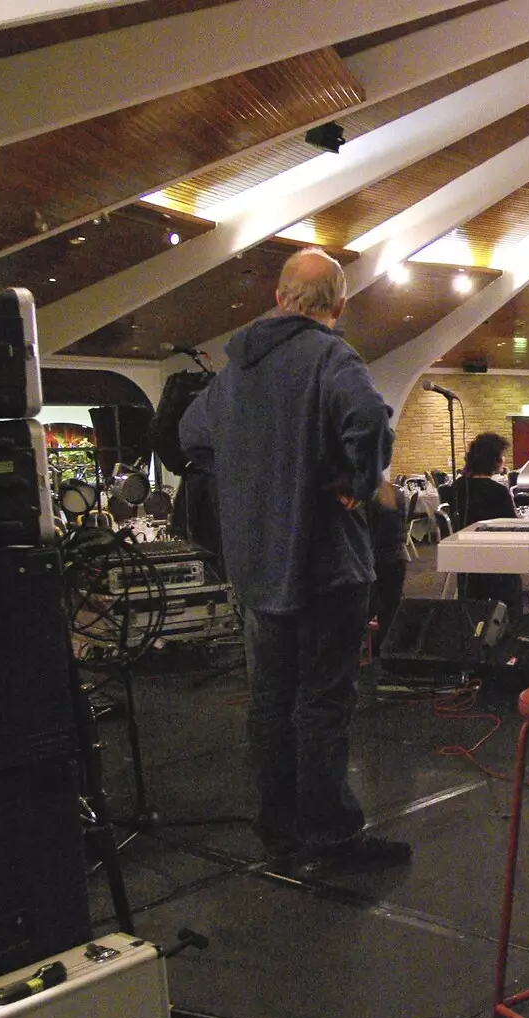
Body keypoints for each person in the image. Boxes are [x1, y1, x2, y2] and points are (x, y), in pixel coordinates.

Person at [180, 247, 411, 876]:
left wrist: (247, 480)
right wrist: (356, 482)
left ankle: (279, 834)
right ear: (337, 307)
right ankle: (331, 838)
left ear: (280, 297)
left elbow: (191, 437)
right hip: (325, 567)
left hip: (256, 566)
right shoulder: (332, 355)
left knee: (270, 706)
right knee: (323, 706)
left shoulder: (231, 373)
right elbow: (369, 419)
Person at [452, 432, 523, 615]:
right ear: (494, 459)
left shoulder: (457, 487)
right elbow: (511, 526)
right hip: (496, 563)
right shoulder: (498, 491)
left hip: (466, 562)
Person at [367, 475, 408, 655]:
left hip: (373, 561)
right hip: (396, 558)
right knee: (390, 610)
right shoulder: (396, 493)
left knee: (367, 606)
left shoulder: (364, 497)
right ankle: (386, 649)